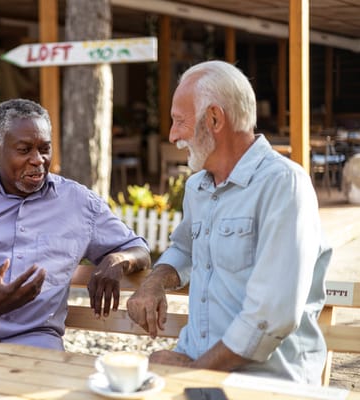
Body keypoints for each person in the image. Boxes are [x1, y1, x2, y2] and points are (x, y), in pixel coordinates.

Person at [126, 60, 331, 384]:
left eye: (179, 121)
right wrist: (154, 283)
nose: (173, 135)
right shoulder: (198, 187)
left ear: (214, 119)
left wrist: (193, 374)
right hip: (198, 362)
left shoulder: (284, 185)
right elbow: (185, 249)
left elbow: (271, 316)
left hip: (265, 383)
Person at [0, 98, 150, 350]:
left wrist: (116, 261)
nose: (38, 160)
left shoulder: (79, 203)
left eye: (45, 148)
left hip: (34, 339)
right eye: (24, 150)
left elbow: (139, 249)